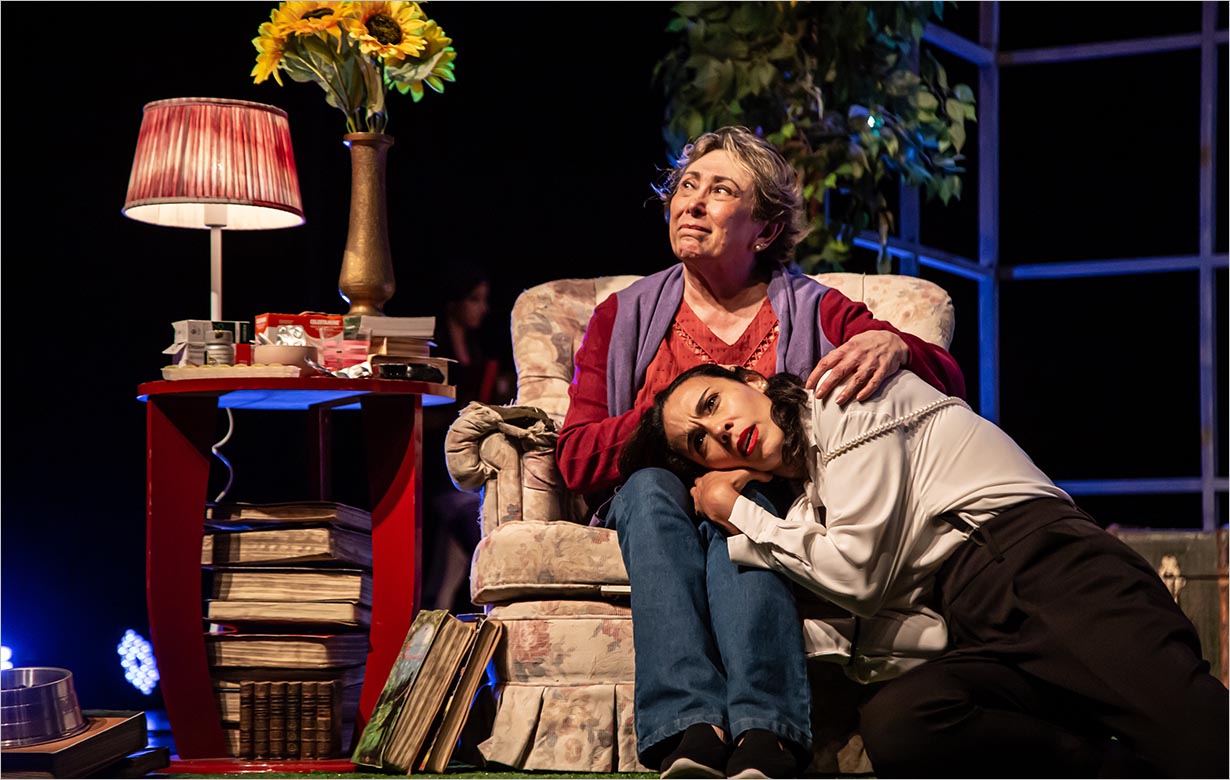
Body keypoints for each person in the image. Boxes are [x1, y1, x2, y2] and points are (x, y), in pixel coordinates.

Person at [556, 125, 965, 778]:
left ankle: (766, 737)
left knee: (751, 497)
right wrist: (667, 421)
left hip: (771, 499)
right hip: (651, 507)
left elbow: (945, 383)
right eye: (687, 186)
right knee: (651, 488)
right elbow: (576, 457)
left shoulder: (813, 308)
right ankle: (689, 730)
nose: (693, 203)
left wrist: (896, 346)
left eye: (720, 191)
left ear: (766, 229)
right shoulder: (622, 317)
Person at [620, 362, 1230, 779]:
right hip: (977, 625)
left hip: (1042, 566)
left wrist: (738, 513)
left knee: (1204, 745)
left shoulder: (847, 398)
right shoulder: (809, 502)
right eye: (700, 442)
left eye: (713, 404)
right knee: (904, 724)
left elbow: (859, 578)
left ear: (752, 379)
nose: (720, 431)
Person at [420, 264, 510, 615]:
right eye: (475, 299)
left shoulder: (476, 348)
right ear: (453, 302)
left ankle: (439, 629)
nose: (482, 309)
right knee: (476, 543)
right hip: (437, 469)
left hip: (466, 471)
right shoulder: (433, 351)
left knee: (447, 578)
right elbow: (421, 415)